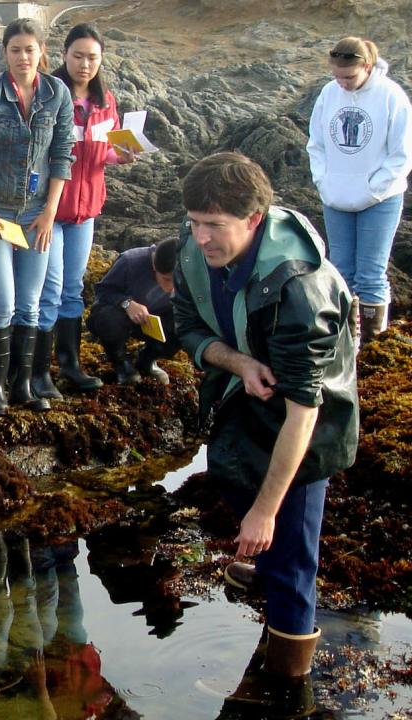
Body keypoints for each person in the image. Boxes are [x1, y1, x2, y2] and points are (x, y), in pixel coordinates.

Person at [172, 152, 357, 680]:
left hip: (310, 417)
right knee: (235, 482)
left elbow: (304, 411)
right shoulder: (194, 250)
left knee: (292, 561)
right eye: (194, 222)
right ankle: (267, 567)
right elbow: (187, 326)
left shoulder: (300, 291)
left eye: (215, 226)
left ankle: (286, 683)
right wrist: (240, 363)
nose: (201, 237)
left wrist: (265, 513)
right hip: (245, 390)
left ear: (254, 221)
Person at [0, 17, 75, 416]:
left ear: (42, 51)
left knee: (30, 304)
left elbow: (62, 155)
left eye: (30, 49)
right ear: (4, 53)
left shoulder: (57, 93)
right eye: (15, 49)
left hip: (36, 214)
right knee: (2, 303)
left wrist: (49, 213)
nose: (23, 57)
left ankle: (23, 385)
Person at [34, 23, 136, 398]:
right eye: (78, 56)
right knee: (51, 286)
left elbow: (104, 150)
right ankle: (39, 371)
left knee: (73, 289)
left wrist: (121, 155)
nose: (85, 64)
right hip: (49, 209)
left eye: (92, 57)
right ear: (64, 55)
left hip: (86, 210)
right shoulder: (47, 94)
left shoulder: (105, 100)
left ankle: (70, 364)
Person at [307, 36, 412, 345]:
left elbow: (402, 155)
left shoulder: (391, 96)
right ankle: (343, 343)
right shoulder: (329, 93)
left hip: (379, 200)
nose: (342, 83)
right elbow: (316, 143)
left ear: (367, 67)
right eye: (336, 76)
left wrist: (372, 190)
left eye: (349, 76)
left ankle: (370, 344)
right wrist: (324, 182)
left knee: (370, 274)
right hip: (336, 197)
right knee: (340, 272)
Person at [87, 238, 180, 385]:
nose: (172, 288)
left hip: (155, 319)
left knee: (185, 325)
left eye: (177, 281)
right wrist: (127, 303)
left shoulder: (189, 266)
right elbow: (102, 291)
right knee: (109, 321)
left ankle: (148, 360)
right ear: (154, 266)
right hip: (119, 314)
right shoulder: (130, 261)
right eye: (166, 279)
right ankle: (121, 364)